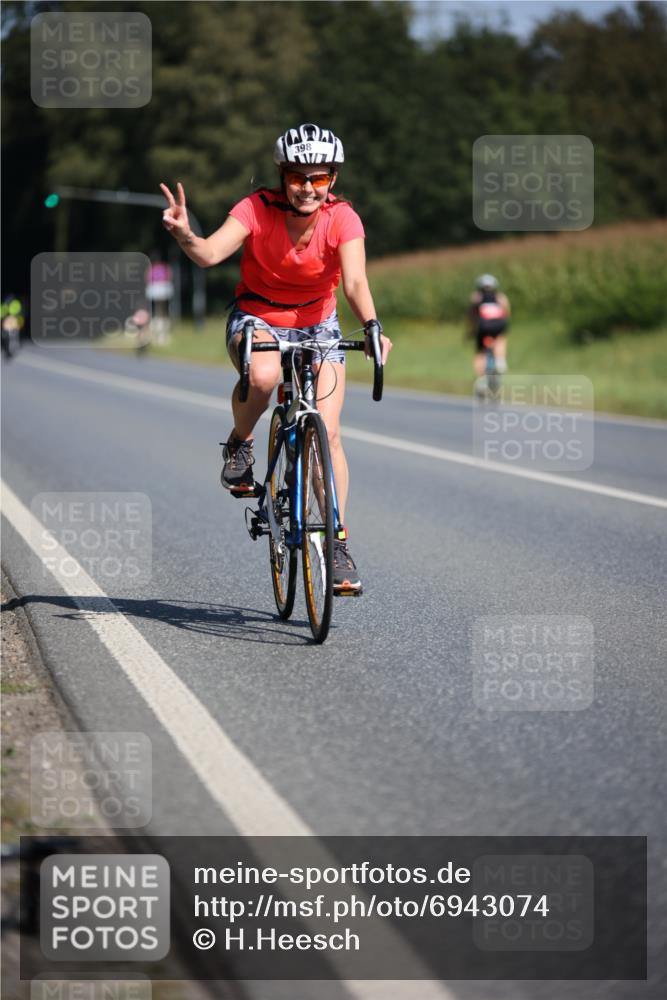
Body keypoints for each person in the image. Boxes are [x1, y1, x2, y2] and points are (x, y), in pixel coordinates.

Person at [160, 123, 391, 594]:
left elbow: (355, 284)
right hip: (257, 315)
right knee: (263, 377)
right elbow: (208, 255)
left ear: (332, 180)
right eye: (298, 177)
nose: (308, 188)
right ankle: (240, 442)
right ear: (282, 176)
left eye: (319, 178)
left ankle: (337, 541)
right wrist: (186, 233)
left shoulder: (343, 217)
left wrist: (371, 327)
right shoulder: (254, 210)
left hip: (318, 322)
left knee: (328, 432)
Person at [467, 274, 510, 379]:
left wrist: (471, 331)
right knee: (500, 339)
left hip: (483, 327)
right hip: (499, 325)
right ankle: (500, 362)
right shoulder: (501, 297)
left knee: (480, 353)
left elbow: (472, 316)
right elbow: (507, 313)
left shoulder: (476, 297)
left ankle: (480, 378)